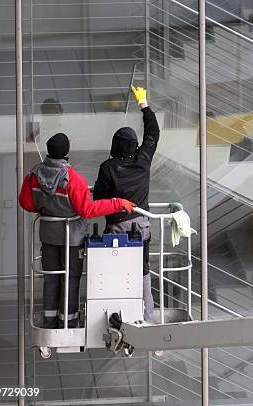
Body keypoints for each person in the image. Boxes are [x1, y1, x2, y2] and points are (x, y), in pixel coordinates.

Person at [19, 133, 135, 329]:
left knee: (51, 277)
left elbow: (26, 202)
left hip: (48, 236)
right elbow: (87, 210)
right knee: (71, 279)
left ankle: (50, 321)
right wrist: (117, 203)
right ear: (66, 152)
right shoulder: (73, 179)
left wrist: (47, 208)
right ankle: (69, 321)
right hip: (72, 238)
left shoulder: (33, 175)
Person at [93, 85, 160, 321]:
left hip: (117, 229)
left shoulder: (107, 168)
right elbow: (153, 132)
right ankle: (147, 317)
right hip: (142, 228)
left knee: (116, 273)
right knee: (142, 272)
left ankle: (118, 316)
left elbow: (98, 199)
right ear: (134, 145)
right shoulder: (143, 159)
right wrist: (143, 103)